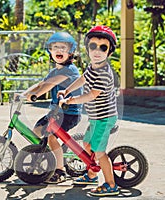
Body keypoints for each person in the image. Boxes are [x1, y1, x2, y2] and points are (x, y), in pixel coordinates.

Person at [58, 25, 119, 196]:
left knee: (99, 151)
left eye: (103, 47)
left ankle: (110, 184)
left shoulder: (104, 73)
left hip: (105, 118)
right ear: (87, 49)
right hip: (95, 117)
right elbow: (82, 79)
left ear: (110, 52)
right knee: (87, 144)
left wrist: (72, 101)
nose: (97, 51)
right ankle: (92, 174)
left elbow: (92, 95)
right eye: (93, 46)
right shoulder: (92, 67)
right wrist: (67, 90)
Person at [21, 32, 83, 184]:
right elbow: (42, 84)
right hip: (55, 113)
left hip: (69, 113)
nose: (59, 50)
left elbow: (49, 85)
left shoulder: (70, 70)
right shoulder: (53, 71)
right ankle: (49, 158)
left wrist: (36, 95)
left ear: (71, 52)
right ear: (50, 51)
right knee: (36, 132)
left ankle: (60, 170)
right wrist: (23, 94)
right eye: (55, 47)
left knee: (51, 137)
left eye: (63, 47)